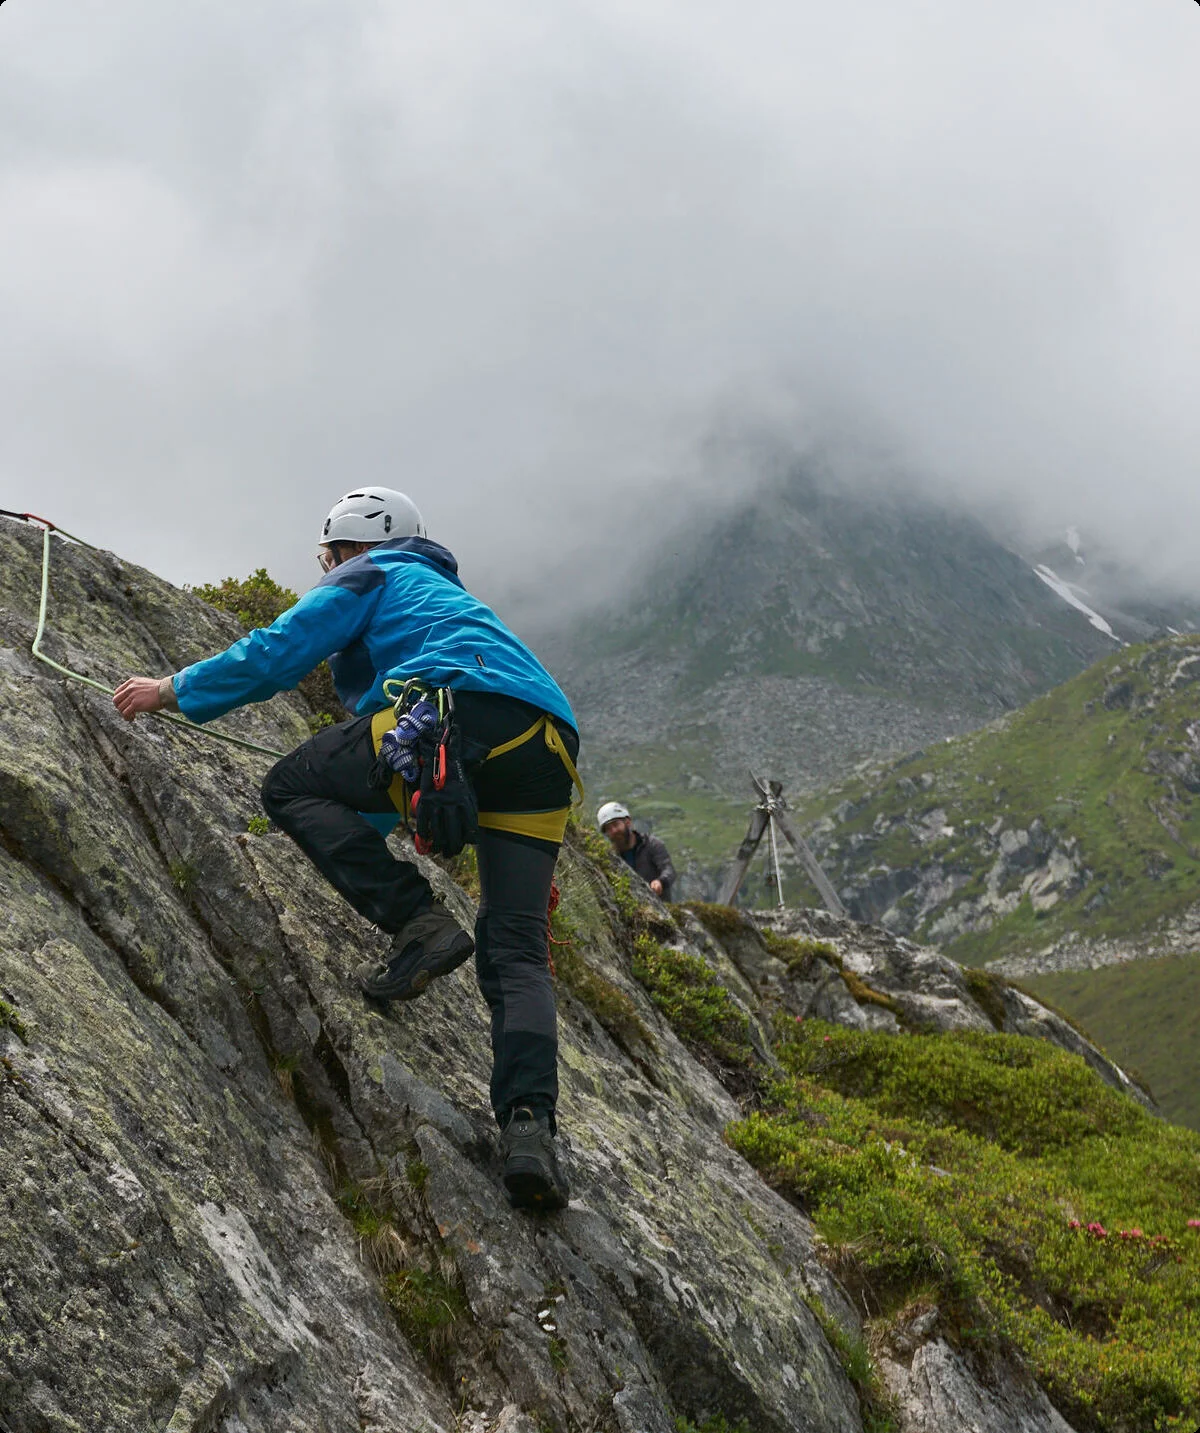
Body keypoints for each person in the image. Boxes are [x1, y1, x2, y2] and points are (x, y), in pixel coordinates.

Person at [114, 488, 580, 1211]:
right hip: (547, 741)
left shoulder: (374, 572)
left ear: (348, 547)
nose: (324, 569)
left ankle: (418, 920)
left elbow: (275, 653)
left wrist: (171, 689)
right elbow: (370, 803)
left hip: (447, 711)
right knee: (516, 947)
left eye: (326, 557)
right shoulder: (444, 597)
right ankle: (530, 1134)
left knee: (290, 784)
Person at [596, 801, 676, 901]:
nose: (614, 831)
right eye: (608, 829)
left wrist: (660, 882)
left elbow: (668, 869)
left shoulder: (651, 844)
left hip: (661, 907)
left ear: (628, 822)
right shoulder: (610, 857)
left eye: (616, 825)